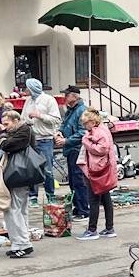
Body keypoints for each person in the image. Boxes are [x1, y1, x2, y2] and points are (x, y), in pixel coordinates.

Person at [0, 111, 36, 258]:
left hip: (19, 175)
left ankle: (23, 243)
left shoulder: (24, 131)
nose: (5, 127)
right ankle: (18, 243)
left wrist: (3, 135)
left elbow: (7, 145)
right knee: (18, 210)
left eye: (7, 124)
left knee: (13, 209)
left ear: (16, 120)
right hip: (19, 175)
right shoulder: (23, 130)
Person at [78, 109, 119, 240]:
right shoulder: (102, 130)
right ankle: (109, 227)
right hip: (103, 169)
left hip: (96, 170)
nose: (84, 126)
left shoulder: (98, 132)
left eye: (86, 123)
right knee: (105, 198)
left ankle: (92, 230)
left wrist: (87, 142)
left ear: (93, 121)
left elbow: (102, 149)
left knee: (94, 199)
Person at [21, 79, 60, 199]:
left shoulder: (49, 100)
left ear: (32, 88)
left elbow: (56, 119)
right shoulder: (28, 100)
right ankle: (33, 195)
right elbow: (23, 117)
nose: (25, 90)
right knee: (32, 168)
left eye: (27, 87)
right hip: (31, 139)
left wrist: (40, 116)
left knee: (47, 169)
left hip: (45, 139)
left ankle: (50, 195)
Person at [58, 85, 89, 219]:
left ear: (74, 97)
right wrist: (59, 132)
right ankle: (77, 207)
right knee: (72, 181)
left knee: (78, 180)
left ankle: (84, 210)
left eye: (67, 95)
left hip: (77, 149)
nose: (65, 97)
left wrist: (66, 141)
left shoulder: (82, 111)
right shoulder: (70, 110)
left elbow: (83, 132)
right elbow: (64, 124)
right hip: (71, 149)